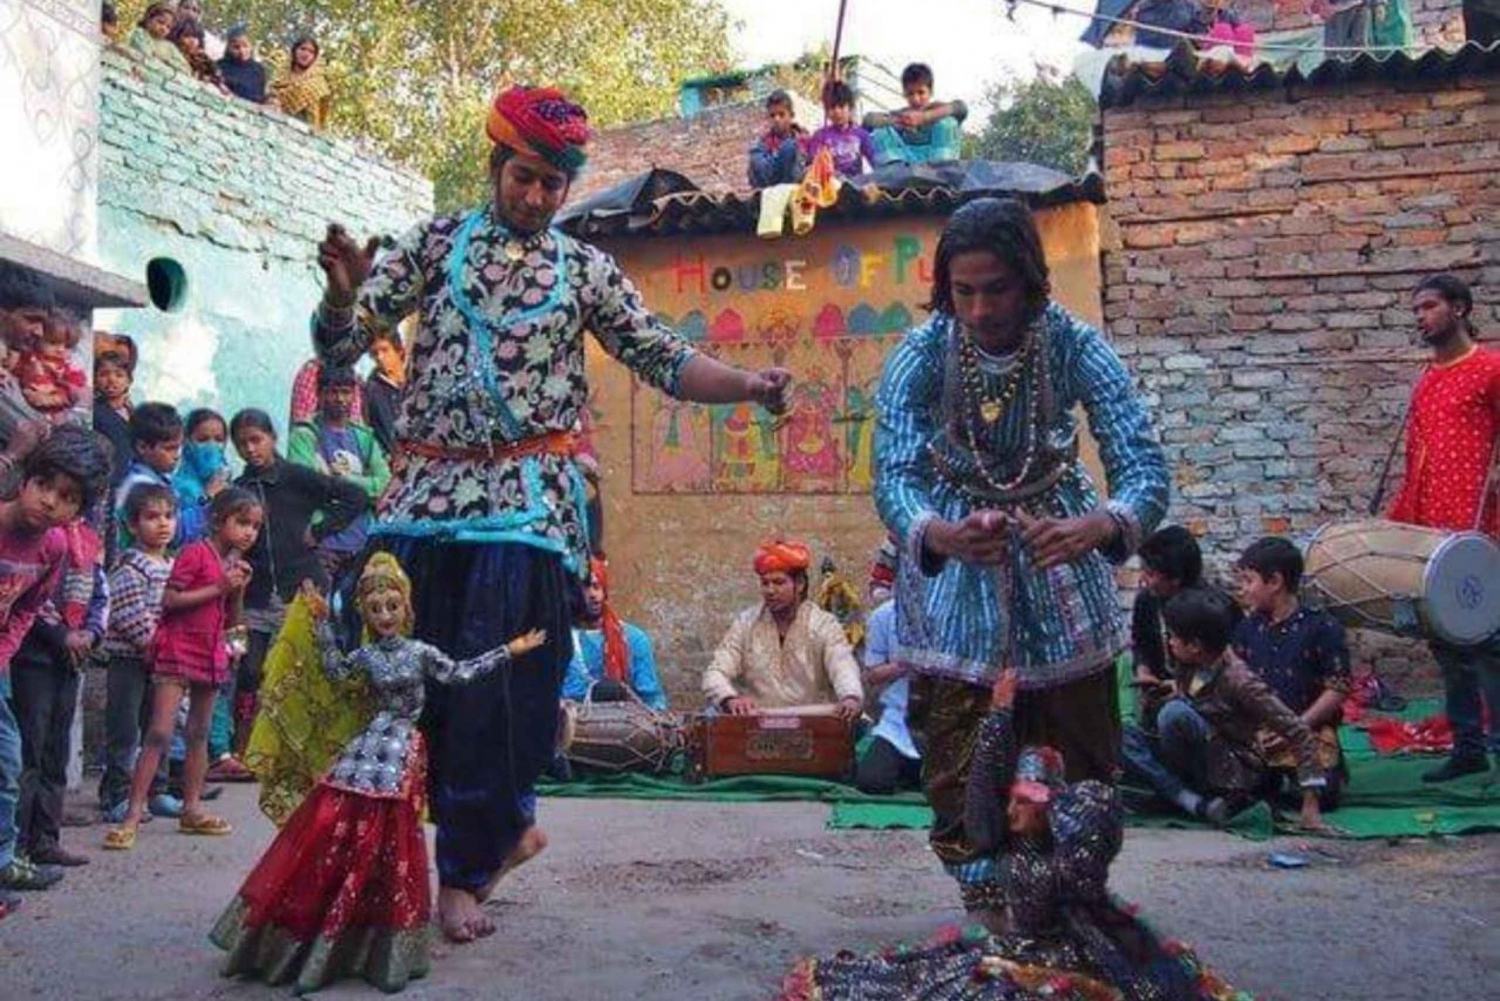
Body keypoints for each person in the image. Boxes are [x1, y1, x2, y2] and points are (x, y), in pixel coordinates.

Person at [312, 82, 791, 943]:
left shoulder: (584, 269)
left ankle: (466, 870)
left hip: (525, 512)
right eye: (525, 177)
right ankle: (441, 847)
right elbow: (341, 349)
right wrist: (344, 296)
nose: (537, 197)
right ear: (497, 163)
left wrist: (749, 386)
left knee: (497, 694)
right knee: (391, 685)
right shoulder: (434, 243)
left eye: (552, 184)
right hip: (419, 504)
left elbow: (661, 355)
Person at [873, 197, 1168, 922]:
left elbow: (1143, 465)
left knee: (1085, 759)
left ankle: (1070, 903)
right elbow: (893, 475)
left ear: (1031, 282)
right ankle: (992, 913)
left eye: (996, 289)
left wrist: (1100, 525)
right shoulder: (920, 353)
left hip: (1061, 558)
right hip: (957, 578)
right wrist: (940, 533)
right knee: (959, 762)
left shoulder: (1071, 342)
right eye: (963, 291)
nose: (979, 309)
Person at [781, 669, 1247, 1001]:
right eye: (1013, 800)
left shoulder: (1073, 850)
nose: (1013, 810)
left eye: (1024, 802)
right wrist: (999, 717)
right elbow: (983, 792)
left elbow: (1098, 811)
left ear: (1049, 807)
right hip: (1014, 949)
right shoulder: (1004, 837)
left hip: (1069, 957)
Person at [212, 559, 546, 993]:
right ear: (366, 614)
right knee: (334, 825)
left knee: (391, 839)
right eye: (375, 608)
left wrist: (509, 650)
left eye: (392, 606)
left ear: (405, 609)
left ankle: (373, 936)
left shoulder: (420, 651)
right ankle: (319, 929)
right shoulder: (365, 655)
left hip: (402, 748)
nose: (385, 615)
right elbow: (335, 672)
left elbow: (460, 673)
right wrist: (320, 625)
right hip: (366, 748)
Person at [1386, 273, 1500, 782]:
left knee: (1490, 645)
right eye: (1416, 309)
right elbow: (1416, 459)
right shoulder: (1427, 379)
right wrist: (1402, 528)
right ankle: (1469, 749)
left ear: (1459, 308)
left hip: (1482, 529)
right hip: (1433, 533)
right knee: (1448, 646)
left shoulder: (1491, 368)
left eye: (1429, 307)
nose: (1420, 317)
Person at [103, 489, 262, 850]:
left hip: (210, 651)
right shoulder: (194, 553)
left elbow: (230, 619)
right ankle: (132, 814)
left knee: (199, 732)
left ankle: (192, 808)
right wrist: (219, 586)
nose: (249, 533)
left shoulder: (231, 565)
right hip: (177, 649)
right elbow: (170, 601)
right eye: (242, 523)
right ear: (219, 521)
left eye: (254, 526)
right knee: (159, 732)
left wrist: (236, 590)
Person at [0, 424, 107, 900]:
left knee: (8, 764)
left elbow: (27, 607)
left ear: (77, 512)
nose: (49, 502)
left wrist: (3, 656)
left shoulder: (55, 547)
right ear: (25, 479)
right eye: (44, 486)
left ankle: (6, 863)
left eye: (65, 498)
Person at [1120, 588, 1330, 829]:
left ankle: (1180, 795)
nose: (1170, 641)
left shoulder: (1241, 681)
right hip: (1191, 757)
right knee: (1120, 734)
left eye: (1175, 636)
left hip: (1227, 768)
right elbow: (1195, 695)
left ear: (1195, 645)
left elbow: (1299, 732)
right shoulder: (1190, 664)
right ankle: (1190, 800)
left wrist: (1310, 805)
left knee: (1175, 713)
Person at [230, 408, 366, 754]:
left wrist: (320, 530)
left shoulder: (295, 477)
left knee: (304, 665)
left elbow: (354, 497)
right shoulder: (240, 489)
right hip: (256, 592)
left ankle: (305, 746)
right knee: (252, 670)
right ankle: (253, 745)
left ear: (272, 438)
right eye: (242, 443)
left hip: (301, 585)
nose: (250, 449)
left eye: (256, 440)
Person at [9, 502, 109, 869]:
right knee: (28, 751)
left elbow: (100, 594)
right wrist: (61, 635)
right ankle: (15, 843)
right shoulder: (42, 542)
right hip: (34, 657)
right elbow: (29, 600)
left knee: (57, 750)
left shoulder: (87, 541)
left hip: (72, 659)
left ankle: (46, 838)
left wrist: (92, 633)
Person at [1233, 537, 1351, 809]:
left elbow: (1338, 687)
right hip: (1260, 736)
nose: (1243, 590)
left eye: (1249, 581)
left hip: (1308, 730)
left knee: (1321, 793)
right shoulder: (1247, 629)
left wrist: (1296, 727)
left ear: (1275, 582)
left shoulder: (1323, 627)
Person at [702, 540, 863, 716]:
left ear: (800, 584)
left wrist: (850, 696)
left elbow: (842, 665)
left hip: (812, 721)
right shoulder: (746, 623)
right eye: (765, 583)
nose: (770, 591)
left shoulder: (823, 625)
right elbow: (715, 672)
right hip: (756, 721)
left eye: (779, 582)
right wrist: (729, 698)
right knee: (712, 715)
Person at [98, 484, 178, 824]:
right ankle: (117, 794)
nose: (162, 524)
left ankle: (155, 789)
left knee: (158, 727)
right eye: (152, 517)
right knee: (125, 729)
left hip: (160, 660)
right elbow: (131, 617)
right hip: (130, 661)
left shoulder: (173, 565)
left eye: (169, 516)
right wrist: (157, 647)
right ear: (132, 525)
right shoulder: (130, 567)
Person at [286, 364, 389, 584]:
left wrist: (345, 480)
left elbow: (385, 485)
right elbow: (304, 486)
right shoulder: (304, 435)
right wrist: (363, 487)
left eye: (346, 392)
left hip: (362, 541)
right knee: (317, 611)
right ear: (320, 394)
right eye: (333, 391)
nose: (340, 398)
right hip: (321, 542)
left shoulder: (364, 437)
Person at [853, 538, 921, 795]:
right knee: (872, 782)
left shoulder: (954, 615)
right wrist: (905, 665)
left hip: (943, 718)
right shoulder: (884, 616)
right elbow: (872, 675)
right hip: (899, 718)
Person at [561, 557, 667, 709]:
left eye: (597, 587)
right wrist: (595, 692)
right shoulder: (561, 641)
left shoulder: (634, 639)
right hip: (573, 725)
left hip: (624, 727)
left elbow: (651, 698)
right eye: (585, 587)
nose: (592, 595)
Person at [1131, 525, 1203, 729]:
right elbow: (1140, 644)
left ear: (1175, 578)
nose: (1143, 579)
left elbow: (1223, 670)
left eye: (1151, 573)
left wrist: (1183, 688)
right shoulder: (1147, 601)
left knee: (1174, 716)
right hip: (1158, 699)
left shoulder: (1212, 608)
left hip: (1202, 707)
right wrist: (1143, 671)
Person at [115, 402, 204, 548]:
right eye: (169, 449)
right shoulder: (140, 485)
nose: (176, 456)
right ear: (142, 447)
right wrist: (208, 505)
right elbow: (174, 533)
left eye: (179, 448)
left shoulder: (158, 478)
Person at [861, 63, 968, 166]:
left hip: (937, 164)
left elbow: (961, 108)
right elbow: (868, 121)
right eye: (910, 94)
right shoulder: (901, 114)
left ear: (930, 92)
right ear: (904, 94)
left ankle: (943, 168)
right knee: (881, 131)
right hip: (906, 165)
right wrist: (901, 121)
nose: (916, 99)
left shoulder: (938, 109)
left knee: (948, 122)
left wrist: (924, 117)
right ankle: (893, 169)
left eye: (921, 92)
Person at [14, 310, 87, 419]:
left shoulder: (70, 367)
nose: (60, 350)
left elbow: (74, 389)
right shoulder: (28, 356)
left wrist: (53, 399)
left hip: (52, 410)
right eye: (53, 343)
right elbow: (15, 369)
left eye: (67, 346)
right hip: (22, 402)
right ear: (38, 339)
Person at [173, 408, 229, 541]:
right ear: (187, 442)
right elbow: (174, 534)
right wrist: (206, 498)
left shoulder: (229, 485)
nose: (212, 446)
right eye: (203, 440)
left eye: (219, 440)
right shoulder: (173, 487)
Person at [805, 80, 875, 180]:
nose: (837, 111)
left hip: (854, 186)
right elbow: (812, 166)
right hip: (829, 185)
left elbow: (876, 162)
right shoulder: (820, 136)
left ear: (850, 108)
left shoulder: (861, 135)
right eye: (832, 107)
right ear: (826, 110)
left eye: (841, 106)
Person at [92, 343, 135, 488]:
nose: (111, 379)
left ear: (129, 381)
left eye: (119, 375)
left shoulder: (134, 413)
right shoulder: (94, 411)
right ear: (95, 380)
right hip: (105, 482)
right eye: (104, 374)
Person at [270, 34, 332, 130]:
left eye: (311, 52)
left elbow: (321, 115)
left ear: (315, 57)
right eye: (303, 49)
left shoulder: (319, 83)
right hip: (278, 128)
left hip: (306, 132)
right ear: (294, 51)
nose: (306, 54)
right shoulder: (280, 78)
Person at [747, 89, 806, 188]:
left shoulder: (805, 138)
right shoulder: (761, 146)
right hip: (775, 193)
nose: (777, 119)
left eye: (781, 115)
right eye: (772, 116)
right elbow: (761, 173)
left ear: (791, 115)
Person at [362, 326, 405, 456]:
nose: (380, 357)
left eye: (385, 350)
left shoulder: (418, 379)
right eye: (375, 353)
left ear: (399, 351)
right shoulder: (371, 391)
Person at [127, 1, 190, 73]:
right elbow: (146, 55)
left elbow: (186, 69)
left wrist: (167, 61)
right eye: (161, 22)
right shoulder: (139, 33)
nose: (163, 28)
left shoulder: (170, 46)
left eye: (168, 27)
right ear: (148, 19)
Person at [169, 19, 228, 93]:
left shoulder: (203, 58)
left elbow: (217, 76)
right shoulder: (171, 51)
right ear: (177, 37)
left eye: (196, 37)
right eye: (187, 36)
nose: (192, 41)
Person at [217, 25, 269, 104]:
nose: (242, 51)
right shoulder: (220, 66)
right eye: (236, 47)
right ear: (228, 48)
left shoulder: (258, 70)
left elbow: (260, 97)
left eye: (245, 46)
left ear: (251, 46)